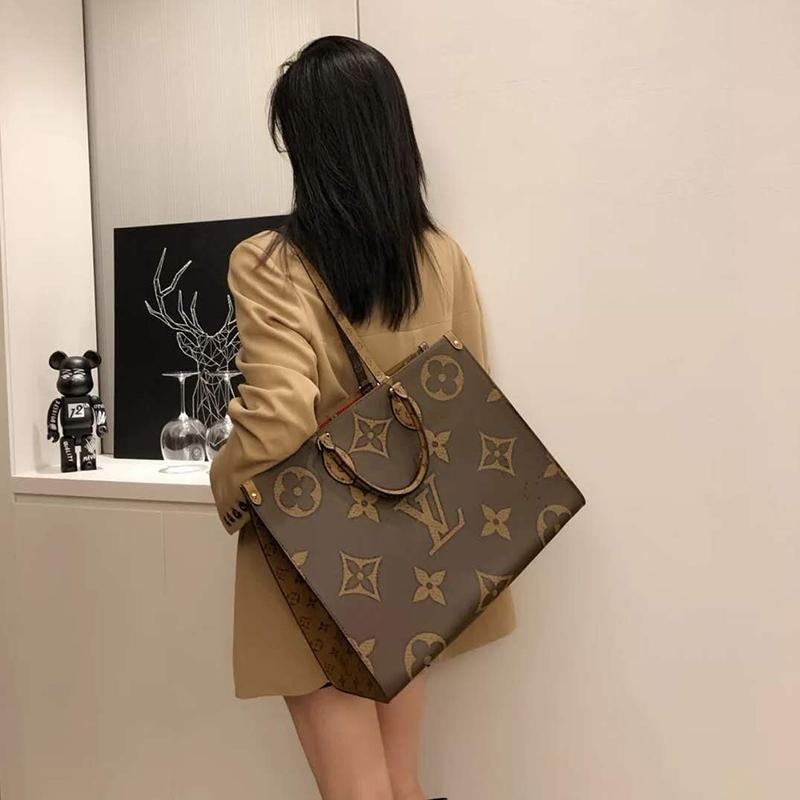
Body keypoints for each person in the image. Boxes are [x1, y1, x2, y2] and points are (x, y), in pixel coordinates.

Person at [209, 35, 516, 800]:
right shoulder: (441, 256)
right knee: (398, 784)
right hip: (410, 558)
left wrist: (224, 482)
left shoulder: (269, 262)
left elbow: (276, 423)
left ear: (306, 146)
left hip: (314, 557)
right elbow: (468, 401)